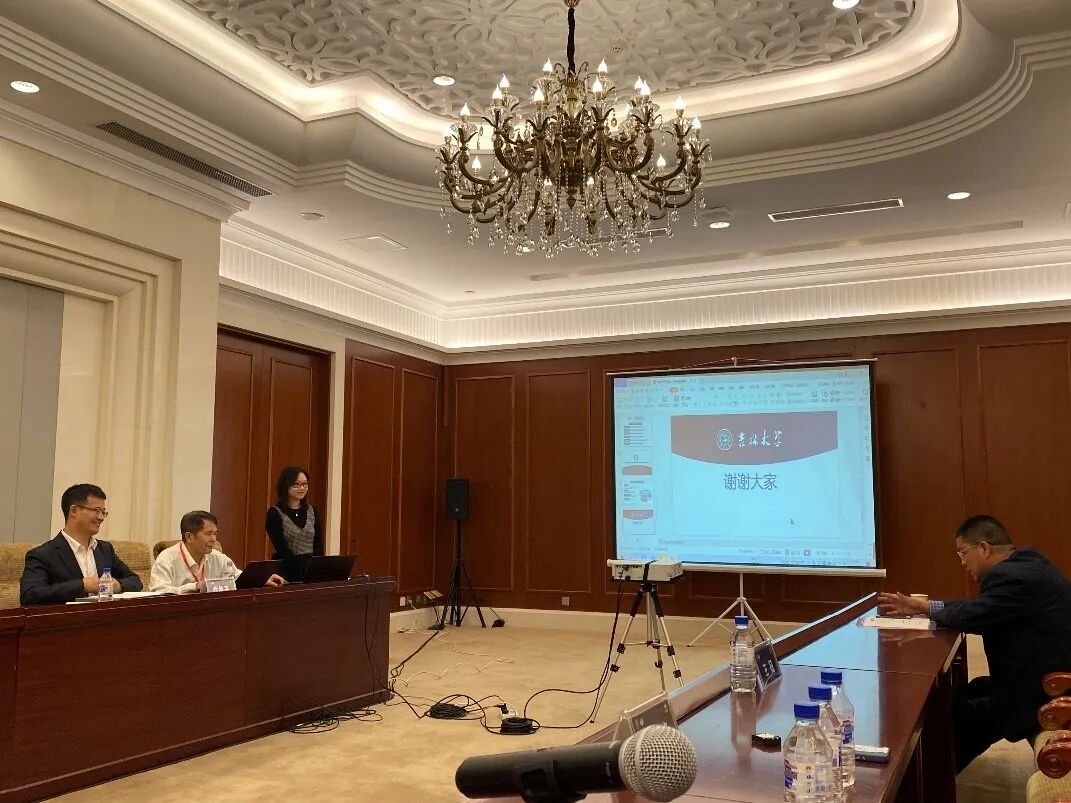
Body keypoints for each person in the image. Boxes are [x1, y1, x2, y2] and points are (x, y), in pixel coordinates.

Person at [878, 514, 1071, 772]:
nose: (962, 562)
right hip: (1043, 679)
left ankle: (930, 778)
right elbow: (979, 606)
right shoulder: (1025, 566)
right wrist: (925, 606)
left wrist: (926, 609)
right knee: (974, 691)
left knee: (972, 713)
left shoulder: (1011, 577)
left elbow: (972, 615)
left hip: (1050, 692)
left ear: (983, 548)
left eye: (963, 552)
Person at [20, 483, 144, 605]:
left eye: (103, 512)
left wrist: (118, 585)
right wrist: (83, 586)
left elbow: (135, 581)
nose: (101, 517)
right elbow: (30, 595)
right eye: (96, 510)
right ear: (74, 511)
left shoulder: (105, 549)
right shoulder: (43, 554)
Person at [150, 510, 285, 594]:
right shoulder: (167, 559)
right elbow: (158, 592)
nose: (214, 539)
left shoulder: (217, 557)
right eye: (208, 534)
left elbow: (237, 577)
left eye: (215, 533)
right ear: (189, 537)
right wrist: (194, 587)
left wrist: (261, 579)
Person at [265, 466, 324, 581]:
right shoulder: (275, 513)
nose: (302, 488)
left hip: (311, 569)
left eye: (305, 484)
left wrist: (317, 569)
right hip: (287, 569)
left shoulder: (312, 511)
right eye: (296, 484)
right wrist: (301, 572)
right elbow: (282, 548)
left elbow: (318, 545)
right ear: (286, 485)